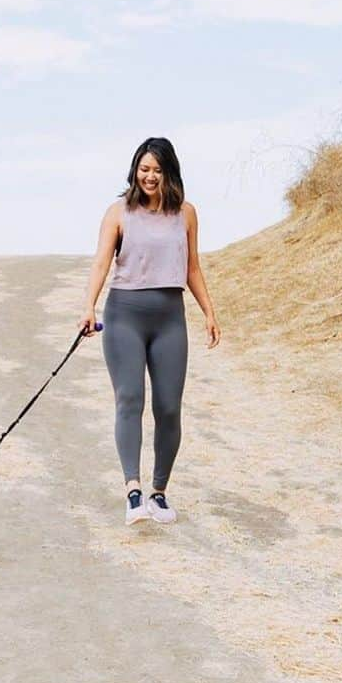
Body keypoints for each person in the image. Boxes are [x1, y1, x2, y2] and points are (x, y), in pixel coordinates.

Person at [79, 136, 221, 526]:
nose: (150, 177)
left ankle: (159, 492)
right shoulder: (118, 213)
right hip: (125, 315)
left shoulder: (186, 214)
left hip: (169, 318)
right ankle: (133, 491)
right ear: (134, 171)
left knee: (169, 407)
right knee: (129, 398)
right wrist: (88, 306)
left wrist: (208, 312)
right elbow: (100, 264)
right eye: (144, 169)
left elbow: (192, 268)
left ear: (169, 172)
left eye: (157, 170)